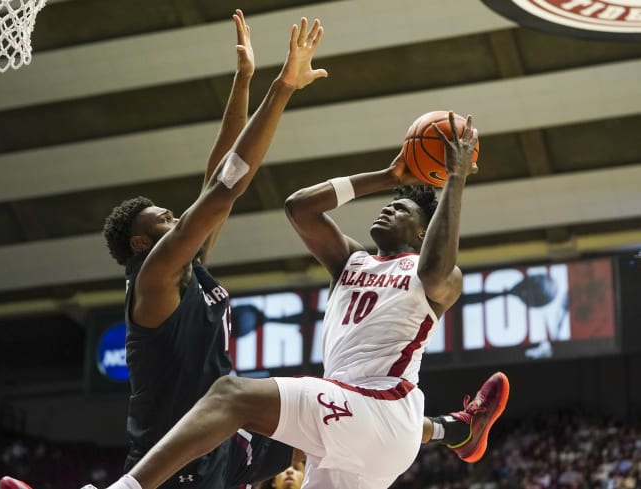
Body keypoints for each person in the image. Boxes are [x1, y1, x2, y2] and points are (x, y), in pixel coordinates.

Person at [82, 105, 509, 489]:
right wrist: (389, 177)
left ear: (423, 231)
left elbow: (434, 266)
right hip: (353, 429)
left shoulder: (438, 277)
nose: (388, 208)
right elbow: (299, 208)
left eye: (402, 209)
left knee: (232, 395)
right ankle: (454, 429)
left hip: (380, 411)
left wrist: (455, 179)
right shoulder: (351, 261)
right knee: (242, 411)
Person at [0, 10, 328, 489]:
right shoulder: (156, 278)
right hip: (178, 456)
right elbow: (225, 188)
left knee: (319, 418)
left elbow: (217, 172)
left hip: (224, 436)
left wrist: (243, 80)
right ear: (142, 242)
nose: (177, 217)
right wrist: (282, 88)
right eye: (166, 219)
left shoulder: (186, 267)